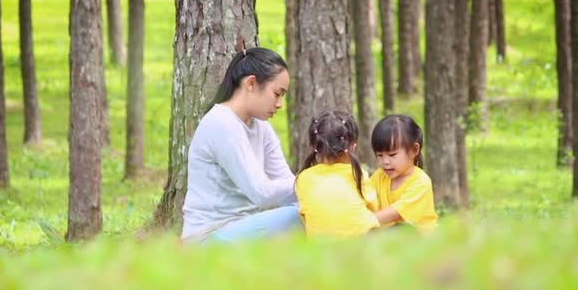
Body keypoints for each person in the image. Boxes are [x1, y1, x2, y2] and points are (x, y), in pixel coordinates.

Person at [181, 48, 302, 244]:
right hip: (208, 236)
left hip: (243, 227)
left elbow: (288, 185)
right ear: (251, 83)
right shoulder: (222, 123)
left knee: (309, 210)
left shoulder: (261, 127)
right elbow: (261, 193)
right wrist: (310, 181)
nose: (280, 104)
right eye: (277, 94)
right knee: (300, 216)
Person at [295, 110, 380, 238]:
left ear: (313, 147)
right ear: (352, 147)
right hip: (362, 248)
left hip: (320, 251)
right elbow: (374, 207)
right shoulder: (358, 174)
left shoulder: (303, 178)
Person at [369, 114, 438, 234]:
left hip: (420, 242)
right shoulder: (379, 176)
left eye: (392, 155)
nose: (385, 161)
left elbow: (396, 213)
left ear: (414, 150)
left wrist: (362, 221)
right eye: (380, 155)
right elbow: (366, 198)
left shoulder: (420, 182)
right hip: (390, 239)